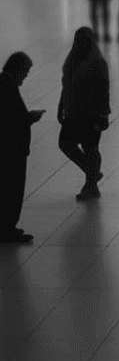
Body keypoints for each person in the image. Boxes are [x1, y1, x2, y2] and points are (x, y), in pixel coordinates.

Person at [58, 27, 110, 202]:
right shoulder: (72, 61)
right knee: (66, 143)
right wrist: (61, 107)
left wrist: (103, 115)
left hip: (90, 114)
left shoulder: (97, 63)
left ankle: (90, 183)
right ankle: (92, 174)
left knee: (90, 148)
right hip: (73, 112)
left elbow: (104, 90)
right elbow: (66, 84)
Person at [0, 52, 44, 243]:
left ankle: (8, 226)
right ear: (17, 69)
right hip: (11, 149)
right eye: (25, 71)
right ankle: (7, 228)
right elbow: (9, 119)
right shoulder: (6, 86)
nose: (26, 76)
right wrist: (29, 118)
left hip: (10, 148)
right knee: (12, 189)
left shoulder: (5, 82)